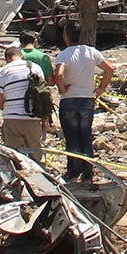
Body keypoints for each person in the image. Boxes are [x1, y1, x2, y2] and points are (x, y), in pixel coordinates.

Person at [54, 33, 114, 183]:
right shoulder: (91, 51)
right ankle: (88, 173)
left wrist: (61, 89)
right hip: (87, 99)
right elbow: (109, 69)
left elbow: (59, 74)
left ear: (66, 37)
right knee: (85, 136)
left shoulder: (63, 55)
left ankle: (73, 173)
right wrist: (100, 89)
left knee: (72, 138)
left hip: (69, 100)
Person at [0, 41, 46, 157]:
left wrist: (10, 108)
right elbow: (43, 93)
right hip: (34, 117)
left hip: (12, 119)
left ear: (7, 59)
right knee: (36, 153)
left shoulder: (2, 72)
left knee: (15, 156)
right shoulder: (36, 68)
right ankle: (39, 173)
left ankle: (17, 174)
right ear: (22, 56)